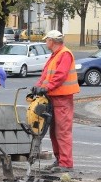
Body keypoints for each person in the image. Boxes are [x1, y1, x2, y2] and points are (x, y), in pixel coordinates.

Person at [31, 30, 80, 173]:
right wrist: (38, 87)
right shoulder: (55, 55)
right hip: (53, 98)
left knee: (62, 131)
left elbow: (60, 76)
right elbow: (46, 74)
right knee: (54, 132)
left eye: (47, 40)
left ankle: (66, 163)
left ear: (52, 41)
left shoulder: (64, 54)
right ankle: (60, 160)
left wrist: (45, 88)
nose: (46, 43)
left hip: (62, 98)